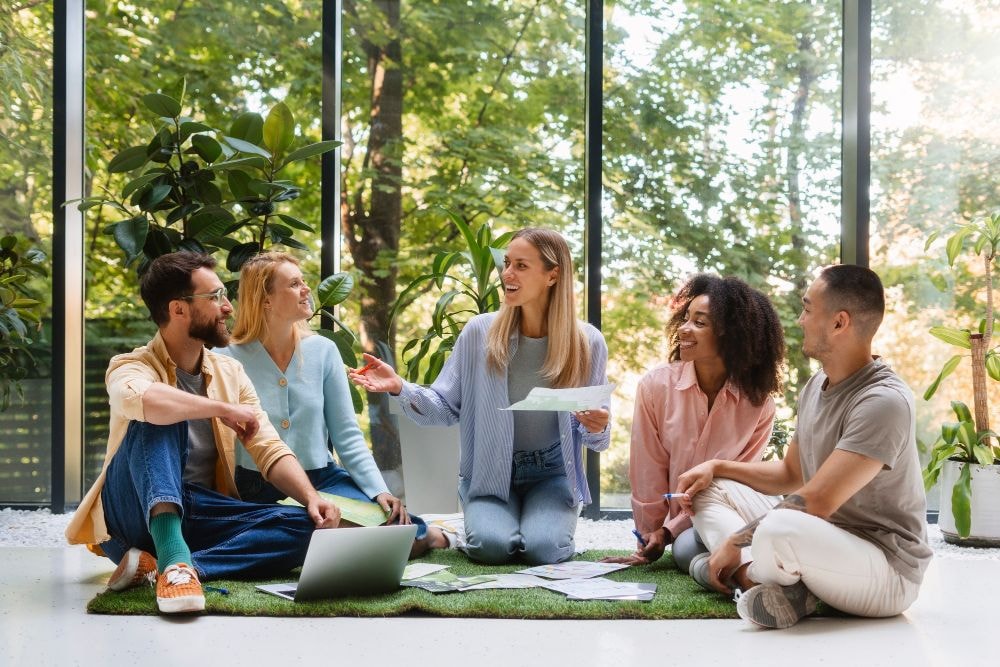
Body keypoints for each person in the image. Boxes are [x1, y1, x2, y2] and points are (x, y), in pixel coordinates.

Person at [65, 252, 341, 615]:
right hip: (131, 512)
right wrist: (221, 409)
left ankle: (172, 568)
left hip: (198, 510)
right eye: (214, 297)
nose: (228, 307)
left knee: (312, 528)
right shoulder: (130, 365)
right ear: (178, 309)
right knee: (158, 415)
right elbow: (145, 400)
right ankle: (174, 557)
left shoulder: (231, 373)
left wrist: (310, 497)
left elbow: (268, 446)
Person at [675, 264, 933, 629]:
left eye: (808, 309)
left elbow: (816, 501)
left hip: (884, 569)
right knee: (709, 489)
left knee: (779, 527)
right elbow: (789, 474)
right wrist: (717, 467)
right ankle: (774, 584)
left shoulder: (883, 401)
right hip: (827, 538)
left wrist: (734, 539)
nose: (799, 320)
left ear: (839, 322)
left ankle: (745, 575)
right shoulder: (817, 385)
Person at [351, 228, 610, 565]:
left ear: (553, 274)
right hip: (488, 471)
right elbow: (444, 409)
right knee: (490, 548)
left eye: (520, 266)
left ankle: (532, 528)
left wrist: (597, 424)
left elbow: (598, 440)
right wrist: (400, 386)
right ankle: (452, 533)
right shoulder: (479, 332)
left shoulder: (587, 342)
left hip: (552, 473)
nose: (507, 274)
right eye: (506, 264)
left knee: (544, 550)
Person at [216, 251, 448, 555]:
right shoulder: (226, 359)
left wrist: (379, 490)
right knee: (321, 528)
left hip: (323, 477)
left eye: (304, 282)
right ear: (266, 299)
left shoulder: (323, 351)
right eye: (294, 284)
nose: (306, 289)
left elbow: (347, 435)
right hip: (258, 487)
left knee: (402, 534)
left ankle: (433, 536)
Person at [614, 274, 784, 571]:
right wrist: (648, 536)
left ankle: (753, 570)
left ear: (732, 336)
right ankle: (749, 568)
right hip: (697, 523)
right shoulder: (656, 387)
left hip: (726, 509)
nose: (683, 329)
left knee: (683, 549)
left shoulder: (758, 404)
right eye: (686, 318)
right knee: (686, 547)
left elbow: (735, 483)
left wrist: (669, 531)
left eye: (699, 322)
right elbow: (647, 470)